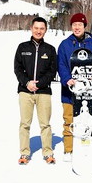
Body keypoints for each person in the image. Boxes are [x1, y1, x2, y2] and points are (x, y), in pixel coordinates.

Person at [56, 13, 92, 162]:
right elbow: (61, 65)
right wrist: (67, 79)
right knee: (69, 120)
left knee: (88, 119)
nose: (77, 27)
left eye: (80, 24)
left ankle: (86, 145)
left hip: (89, 91)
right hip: (70, 91)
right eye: (74, 24)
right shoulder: (65, 44)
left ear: (84, 26)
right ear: (71, 26)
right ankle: (69, 149)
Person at [14, 16, 58, 165]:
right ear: (31, 28)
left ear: (45, 30)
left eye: (42, 28)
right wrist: (27, 83)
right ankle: (24, 153)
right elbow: (17, 68)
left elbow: (52, 72)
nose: (39, 31)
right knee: (25, 124)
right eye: (36, 28)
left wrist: (39, 84)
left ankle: (48, 152)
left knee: (45, 124)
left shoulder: (50, 50)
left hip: (43, 92)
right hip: (25, 92)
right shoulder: (22, 47)